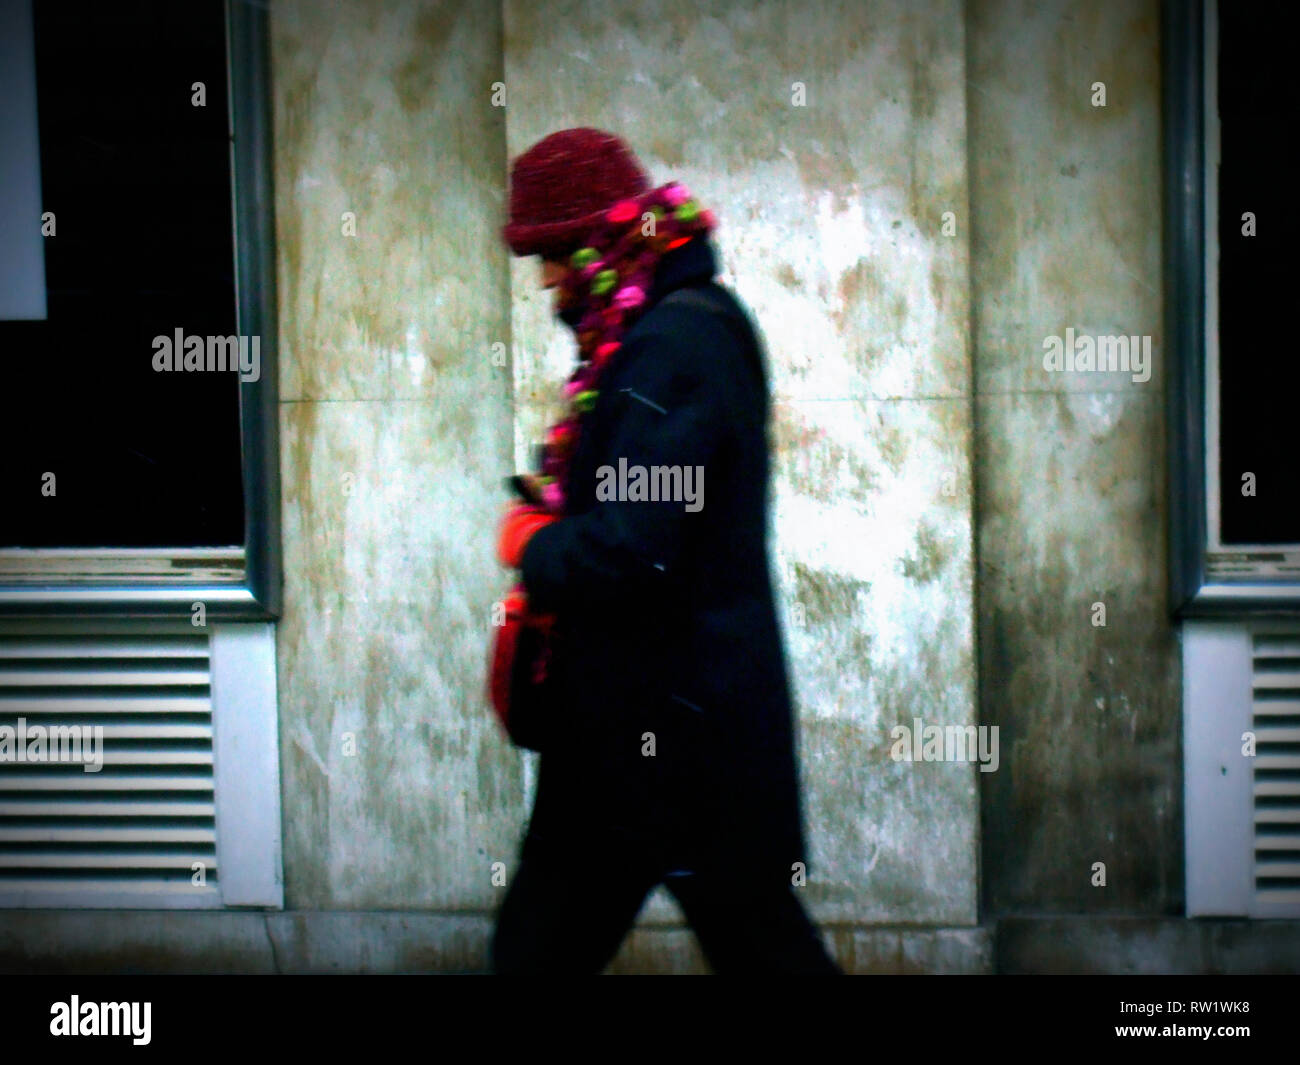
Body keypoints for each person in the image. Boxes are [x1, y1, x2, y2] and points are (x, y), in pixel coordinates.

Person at [491, 128, 840, 975]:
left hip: (665, 742)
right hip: (655, 738)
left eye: (550, 256)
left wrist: (536, 547)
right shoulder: (666, 334)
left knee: (541, 956)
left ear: (595, 244)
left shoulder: (676, 346)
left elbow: (635, 547)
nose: (543, 283)